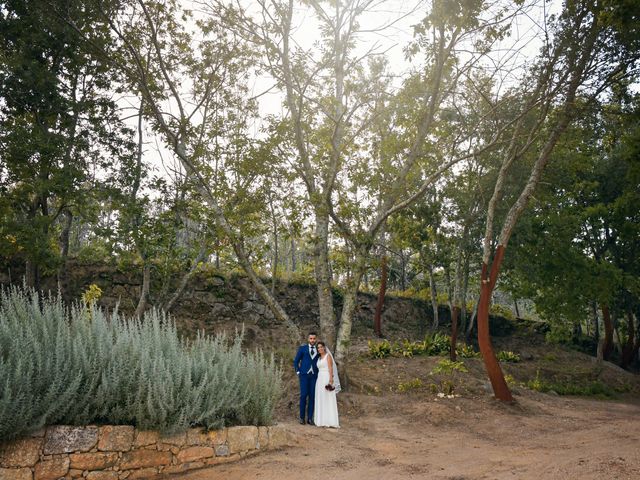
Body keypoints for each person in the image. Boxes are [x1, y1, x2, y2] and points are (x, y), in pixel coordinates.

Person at [293, 332, 319, 425]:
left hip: (314, 376)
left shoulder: (318, 349)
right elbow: (296, 361)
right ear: (308, 339)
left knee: (312, 397)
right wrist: (298, 372)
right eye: (311, 338)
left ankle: (310, 419)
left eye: (314, 339)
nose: (312, 340)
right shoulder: (302, 349)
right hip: (304, 375)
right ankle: (302, 418)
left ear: (316, 339)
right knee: (303, 396)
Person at [313, 341, 340, 428]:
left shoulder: (327, 356)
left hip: (326, 377)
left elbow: (330, 368)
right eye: (318, 348)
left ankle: (330, 420)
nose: (320, 349)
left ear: (324, 347)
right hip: (319, 379)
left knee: (327, 398)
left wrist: (331, 379)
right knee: (321, 398)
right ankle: (321, 420)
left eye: (321, 347)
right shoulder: (319, 358)